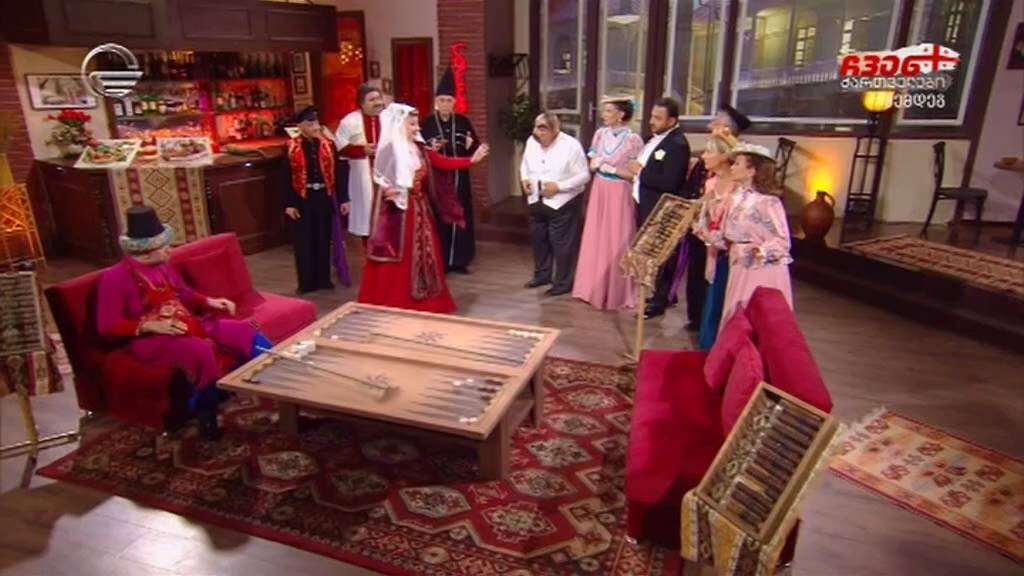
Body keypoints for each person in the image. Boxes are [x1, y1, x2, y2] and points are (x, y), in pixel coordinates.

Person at [96, 206, 272, 440]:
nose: (170, 250)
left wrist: (210, 301)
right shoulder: (115, 278)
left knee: (242, 330)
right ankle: (206, 414)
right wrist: (150, 326)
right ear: (145, 254)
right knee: (201, 351)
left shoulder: (163, 265)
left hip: (190, 323)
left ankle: (276, 379)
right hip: (155, 340)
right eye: (164, 247)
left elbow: (184, 293)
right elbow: (107, 325)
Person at [358, 103, 489, 312]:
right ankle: (395, 301)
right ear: (399, 125)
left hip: (420, 209)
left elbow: (441, 162)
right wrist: (389, 191)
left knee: (426, 254)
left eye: (416, 124)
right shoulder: (390, 151)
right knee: (400, 257)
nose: (417, 128)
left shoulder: (418, 148)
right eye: (412, 124)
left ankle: (425, 300)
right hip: (400, 215)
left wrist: (470, 160)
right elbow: (382, 180)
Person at [675, 103, 752, 329]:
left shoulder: (739, 182)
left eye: (715, 122)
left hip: (725, 244)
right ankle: (697, 320)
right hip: (704, 235)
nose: (710, 126)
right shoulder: (709, 177)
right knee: (698, 277)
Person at [572, 98, 643, 310]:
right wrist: (596, 165)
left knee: (617, 236)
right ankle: (590, 288)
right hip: (600, 188)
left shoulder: (633, 139)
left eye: (609, 111)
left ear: (621, 114)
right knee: (596, 234)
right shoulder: (600, 134)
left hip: (619, 190)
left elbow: (635, 173)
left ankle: (617, 292)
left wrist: (612, 169)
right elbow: (592, 161)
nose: (604, 115)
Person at [630, 97, 692, 319]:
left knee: (663, 255)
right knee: (652, 253)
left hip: (662, 208)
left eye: (658, 118)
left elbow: (669, 182)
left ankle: (660, 300)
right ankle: (659, 294)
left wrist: (641, 171)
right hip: (647, 203)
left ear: (672, 120)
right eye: (651, 116)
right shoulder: (655, 139)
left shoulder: (677, 144)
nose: (651, 121)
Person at [719, 142, 793, 326]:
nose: (732, 168)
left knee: (755, 318)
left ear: (751, 171)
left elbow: (782, 241)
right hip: (739, 267)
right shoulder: (735, 199)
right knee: (735, 316)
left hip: (761, 270)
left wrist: (759, 251)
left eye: (737, 164)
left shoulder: (768, 202)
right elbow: (729, 235)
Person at [519, 112, 591, 297]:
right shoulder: (532, 141)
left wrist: (559, 187)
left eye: (543, 129)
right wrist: (524, 178)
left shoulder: (571, 146)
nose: (537, 132)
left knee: (562, 244)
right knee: (539, 240)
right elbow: (524, 164)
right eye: (536, 127)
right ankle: (542, 275)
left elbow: (584, 176)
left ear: (555, 130)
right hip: (536, 199)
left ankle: (563, 282)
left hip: (563, 202)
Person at [283, 105, 350, 294]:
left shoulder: (328, 145)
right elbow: (285, 177)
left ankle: (323, 279)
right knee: (304, 240)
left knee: (323, 237)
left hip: (323, 196)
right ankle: (306, 282)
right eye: (309, 123)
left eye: (316, 122)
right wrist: (288, 203)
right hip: (302, 198)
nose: (315, 126)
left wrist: (344, 199)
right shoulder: (291, 147)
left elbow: (339, 173)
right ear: (300, 126)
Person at [421, 66, 480, 274]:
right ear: (436, 102)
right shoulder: (427, 123)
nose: (445, 104)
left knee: (460, 216)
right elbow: (421, 149)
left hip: (459, 176)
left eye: (449, 100)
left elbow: (474, 148)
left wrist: (471, 146)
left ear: (454, 102)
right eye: (442, 100)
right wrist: (432, 147)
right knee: (441, 217)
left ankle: (460, 260)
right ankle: (442, 260)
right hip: (438, 178)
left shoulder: (463, 121)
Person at [692, 131, 739, 350]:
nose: (703, 156)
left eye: (709, 152)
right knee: (711, 298)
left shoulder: (737, 186)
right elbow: (703, 213)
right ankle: (707, 348)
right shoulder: (711, 183)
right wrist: (699, 227)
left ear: (724, 156)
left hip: (732, 251)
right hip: (713, 248)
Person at [336, 84, 386, 239]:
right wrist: (362, 150)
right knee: (368, 225)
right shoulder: (349, 122)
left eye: (379, 98)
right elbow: (339, 149)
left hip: (387, 179)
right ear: (361, 103)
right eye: (372, 100)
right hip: (362, 181)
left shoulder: (390, 119)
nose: (378, 102)